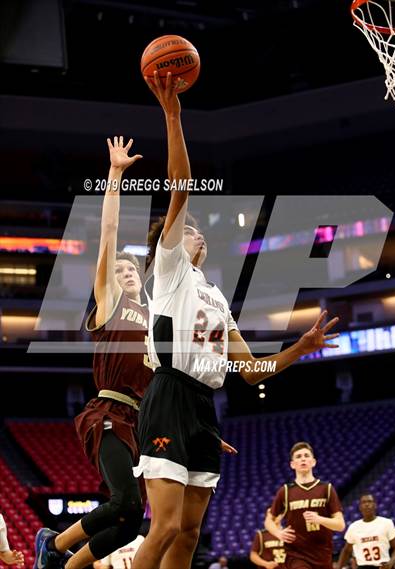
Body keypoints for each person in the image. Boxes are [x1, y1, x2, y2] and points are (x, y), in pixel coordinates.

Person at [131, 70, 341, 569]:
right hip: (169, 394)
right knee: (161, 526)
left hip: (204, 405)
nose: (195, 232)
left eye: (199, 231)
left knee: (187, 533)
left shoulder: (218, 298)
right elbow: (179, 188)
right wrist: (173, 115)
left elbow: (251, 371)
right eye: (188, 229)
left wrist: (299, 348)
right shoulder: (170, 270)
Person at [34, 136, 152, 569]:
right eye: (118, 270)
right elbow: (109, 233)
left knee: (130, 519)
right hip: (108, 412)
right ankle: (53, 541)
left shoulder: (153, 320)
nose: (125, 273)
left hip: (140, 419)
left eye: (130, 269)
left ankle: (66, 566)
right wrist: (116, 175)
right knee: (122, 500)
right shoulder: (112, 304)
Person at [265, 441, 345, 569]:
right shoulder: (285, 491)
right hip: (296, 553)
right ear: (292, 464)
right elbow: (268, 521)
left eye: (306, 455)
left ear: (313, 462)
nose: (303, 459)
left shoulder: (327, 488)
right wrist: (278, 533)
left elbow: (340, 525)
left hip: (322, 554)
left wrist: (319, 519)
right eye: (298, 456)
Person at [337, 494, 395, 569]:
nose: (367, 504)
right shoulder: (353, 527)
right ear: (360, 507)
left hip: (383, 566)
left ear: (375, 505)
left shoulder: (386, 523)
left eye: (370, 501)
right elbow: (346, 551)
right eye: (363, 502)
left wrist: (390, 563)